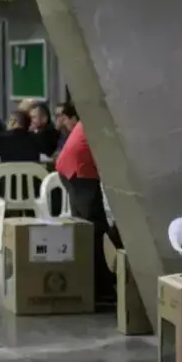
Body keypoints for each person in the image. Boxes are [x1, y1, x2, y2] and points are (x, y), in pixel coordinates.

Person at [56, 118, 115, 306]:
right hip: (80, 168)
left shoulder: (101, 109)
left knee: (86, 229)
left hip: (72, 167)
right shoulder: (110, 113)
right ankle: (100, 288)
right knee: (94, 231)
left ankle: (90, 284)